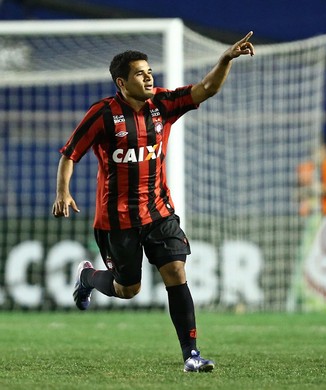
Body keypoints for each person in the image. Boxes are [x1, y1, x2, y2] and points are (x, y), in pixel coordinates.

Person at [52, 32, 255, 372]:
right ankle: (88, 278)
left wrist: (225, 61)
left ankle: (191, 355)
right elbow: (70, 154)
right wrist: (63, 191)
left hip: (159, 212)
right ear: (122, 82)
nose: (149, 77)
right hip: (117, 220)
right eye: (140, 73)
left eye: (149, 71)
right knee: (128, 289)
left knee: (176, 271)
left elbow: (206, 89)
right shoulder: (102, 114)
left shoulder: (162, 104)